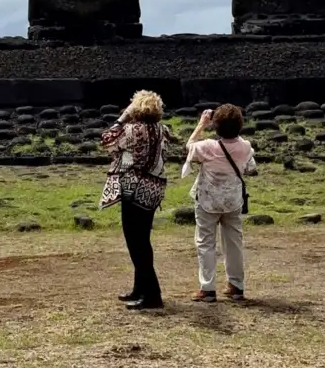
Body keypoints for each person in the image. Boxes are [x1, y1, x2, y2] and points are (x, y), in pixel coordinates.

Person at [99, 89, 170, 310]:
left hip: (133, 188)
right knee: (142, 240)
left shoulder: (130, 130)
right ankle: (140, 287)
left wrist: (122, 118)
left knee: (136, 243)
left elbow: (107, 141)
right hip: (153, 190)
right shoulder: (163, 130)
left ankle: (152, 294)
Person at [181, 103, 257, 303]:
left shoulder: (207, 146)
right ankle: (236, 285)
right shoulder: (245, 146)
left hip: (208, 199)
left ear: (216, 126)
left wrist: (201, 125)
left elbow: (189, 147)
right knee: (234, 243)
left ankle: (207, 288)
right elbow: (251, 167)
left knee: (205, 242)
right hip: (233, 200)